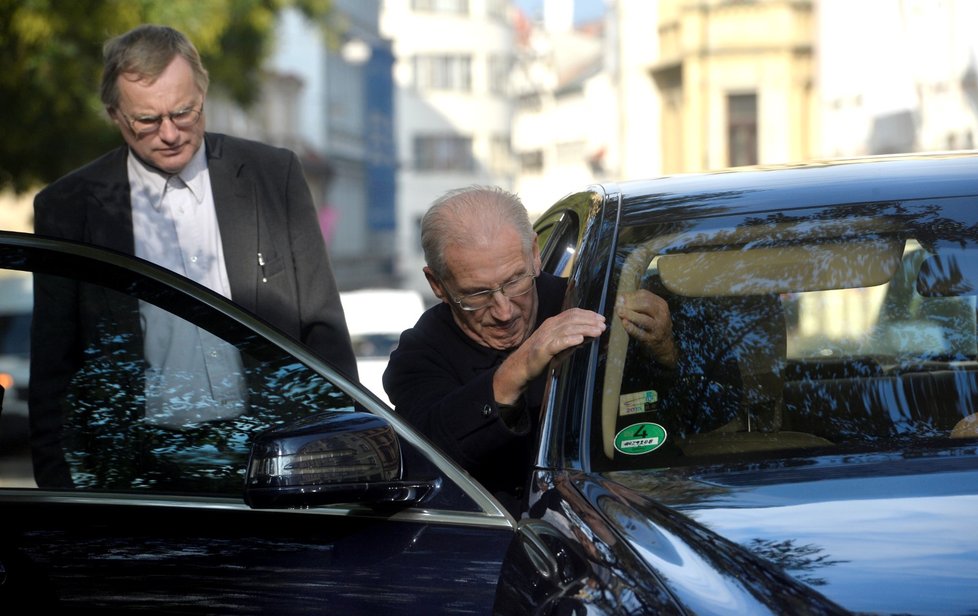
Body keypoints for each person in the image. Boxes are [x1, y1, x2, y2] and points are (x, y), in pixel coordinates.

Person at [29, 24, 357, 488]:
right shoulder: (69, 207)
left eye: (184, 112)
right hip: (134, 470)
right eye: (147, 120)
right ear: (114, 115)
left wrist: (340, 454)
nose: (169, 133)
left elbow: (323, 332)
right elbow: (53, 369)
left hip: (270, 458)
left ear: (202, 94)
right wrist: (59, 492)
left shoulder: (272, 175)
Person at [383, 186, 678, 515]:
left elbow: (712, 416)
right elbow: (426, 462)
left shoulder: (602, 305)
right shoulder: (420, 354)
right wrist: (515, 372)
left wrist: (667, 353)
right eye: (477, 294)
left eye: (515, 281)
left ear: (535, 253)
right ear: (437, 284)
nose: (504, 311)